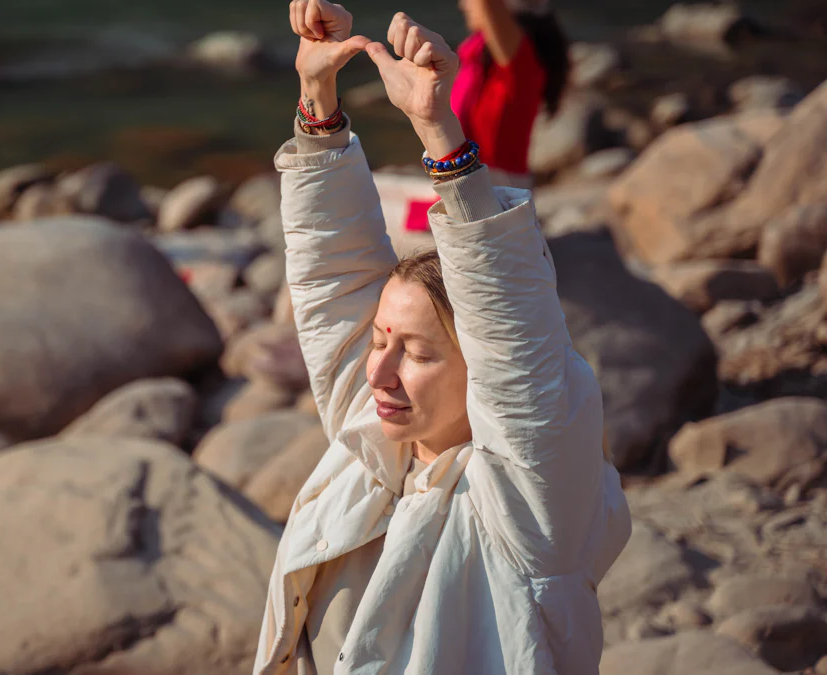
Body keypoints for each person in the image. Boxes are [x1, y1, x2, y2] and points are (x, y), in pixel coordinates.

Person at [253, 2, 630, 674]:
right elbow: (333, 279)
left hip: (492, 224)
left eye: (420, 353)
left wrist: (437, 130)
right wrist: (317, 101)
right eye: (380, 342)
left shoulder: (529, 502)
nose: (379, 373)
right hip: (470, 217)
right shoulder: (373, 439)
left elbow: (515, 345)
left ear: (479, 370)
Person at [450, 0, 570, 187]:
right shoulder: (480, 60)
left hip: (498, 189)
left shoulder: (520, 61)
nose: (463, 5)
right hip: (470, 179)